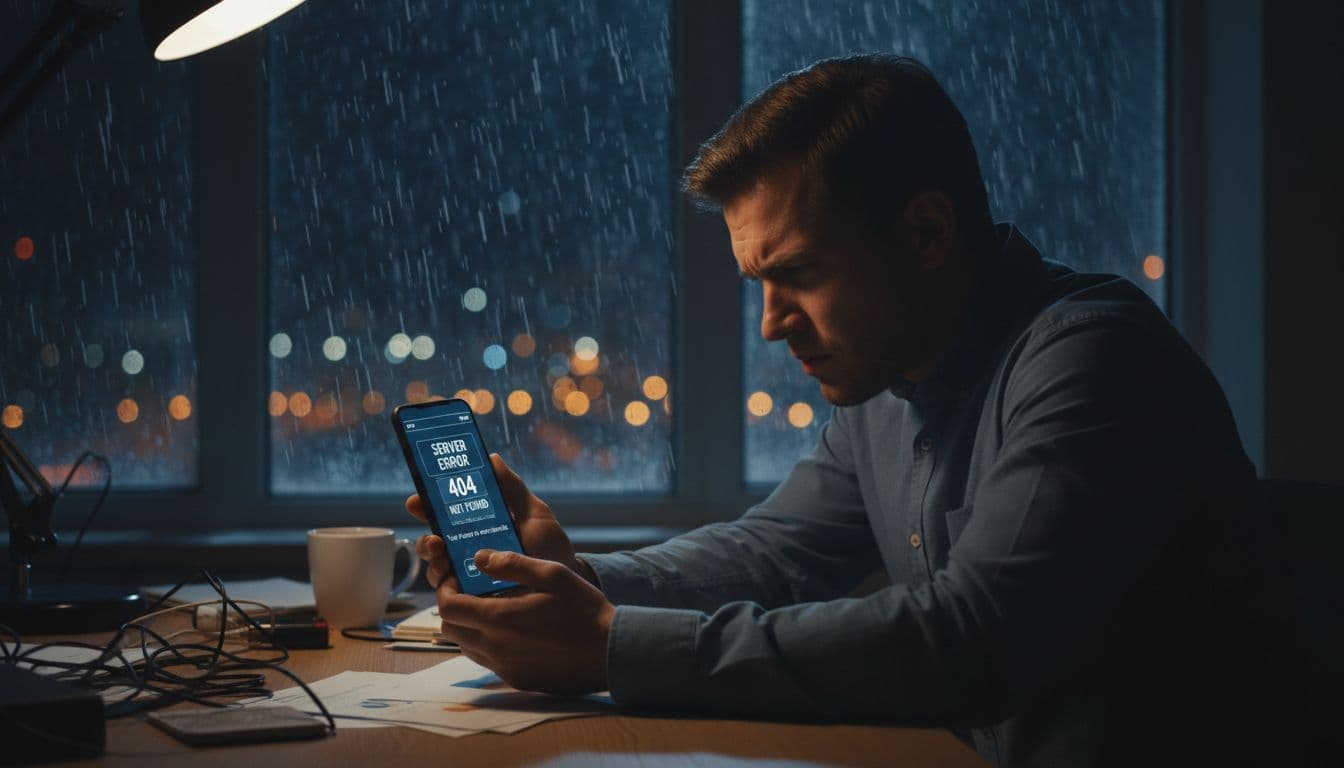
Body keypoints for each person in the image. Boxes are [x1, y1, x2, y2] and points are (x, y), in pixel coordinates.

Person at [407, 55, 1291, 766]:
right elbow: (775, 553)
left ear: (927, 233)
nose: (771, 324)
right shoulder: (893, 374)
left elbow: (970, 641)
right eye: (759, 283)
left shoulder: (1096, 360)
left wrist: (607, 646)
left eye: (798, 273)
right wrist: (583, 587)